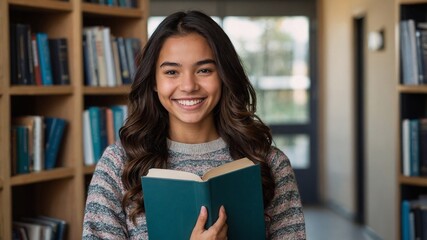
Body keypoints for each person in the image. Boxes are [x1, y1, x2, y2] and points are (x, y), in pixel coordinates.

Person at [83, 10, 306, 240]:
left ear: (223, 76)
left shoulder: (269, 163)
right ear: (154, 82)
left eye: (204, 70)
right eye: (172, 72)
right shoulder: (119, 164)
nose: (188, 86)